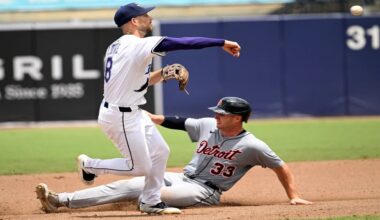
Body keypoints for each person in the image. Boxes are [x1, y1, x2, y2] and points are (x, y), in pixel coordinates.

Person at [48, 2, 241, 215]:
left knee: (161, 151)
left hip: (130, 111)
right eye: (146, 15)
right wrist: (221, 42)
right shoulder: (136, 44)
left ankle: (150, 201)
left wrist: (165, 73)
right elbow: (183, 43)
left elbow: (139, 81)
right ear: (134, 21)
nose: (149, 18)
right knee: (139, 168)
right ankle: (90, 165)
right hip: (120, 115)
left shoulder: (117, 46)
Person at [35, 97, 312, 214]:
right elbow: (177, 121)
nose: (216, 116)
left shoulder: (253, 145)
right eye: (216, 112)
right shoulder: (206, 125)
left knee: (138, 186)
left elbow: (280, 166)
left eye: (222, 114)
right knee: (142, 177)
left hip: (205, 192)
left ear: (238, 118)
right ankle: (58, 200)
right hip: (181, 178)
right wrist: (148, 117)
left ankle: (62, 201)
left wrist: (293, 195)